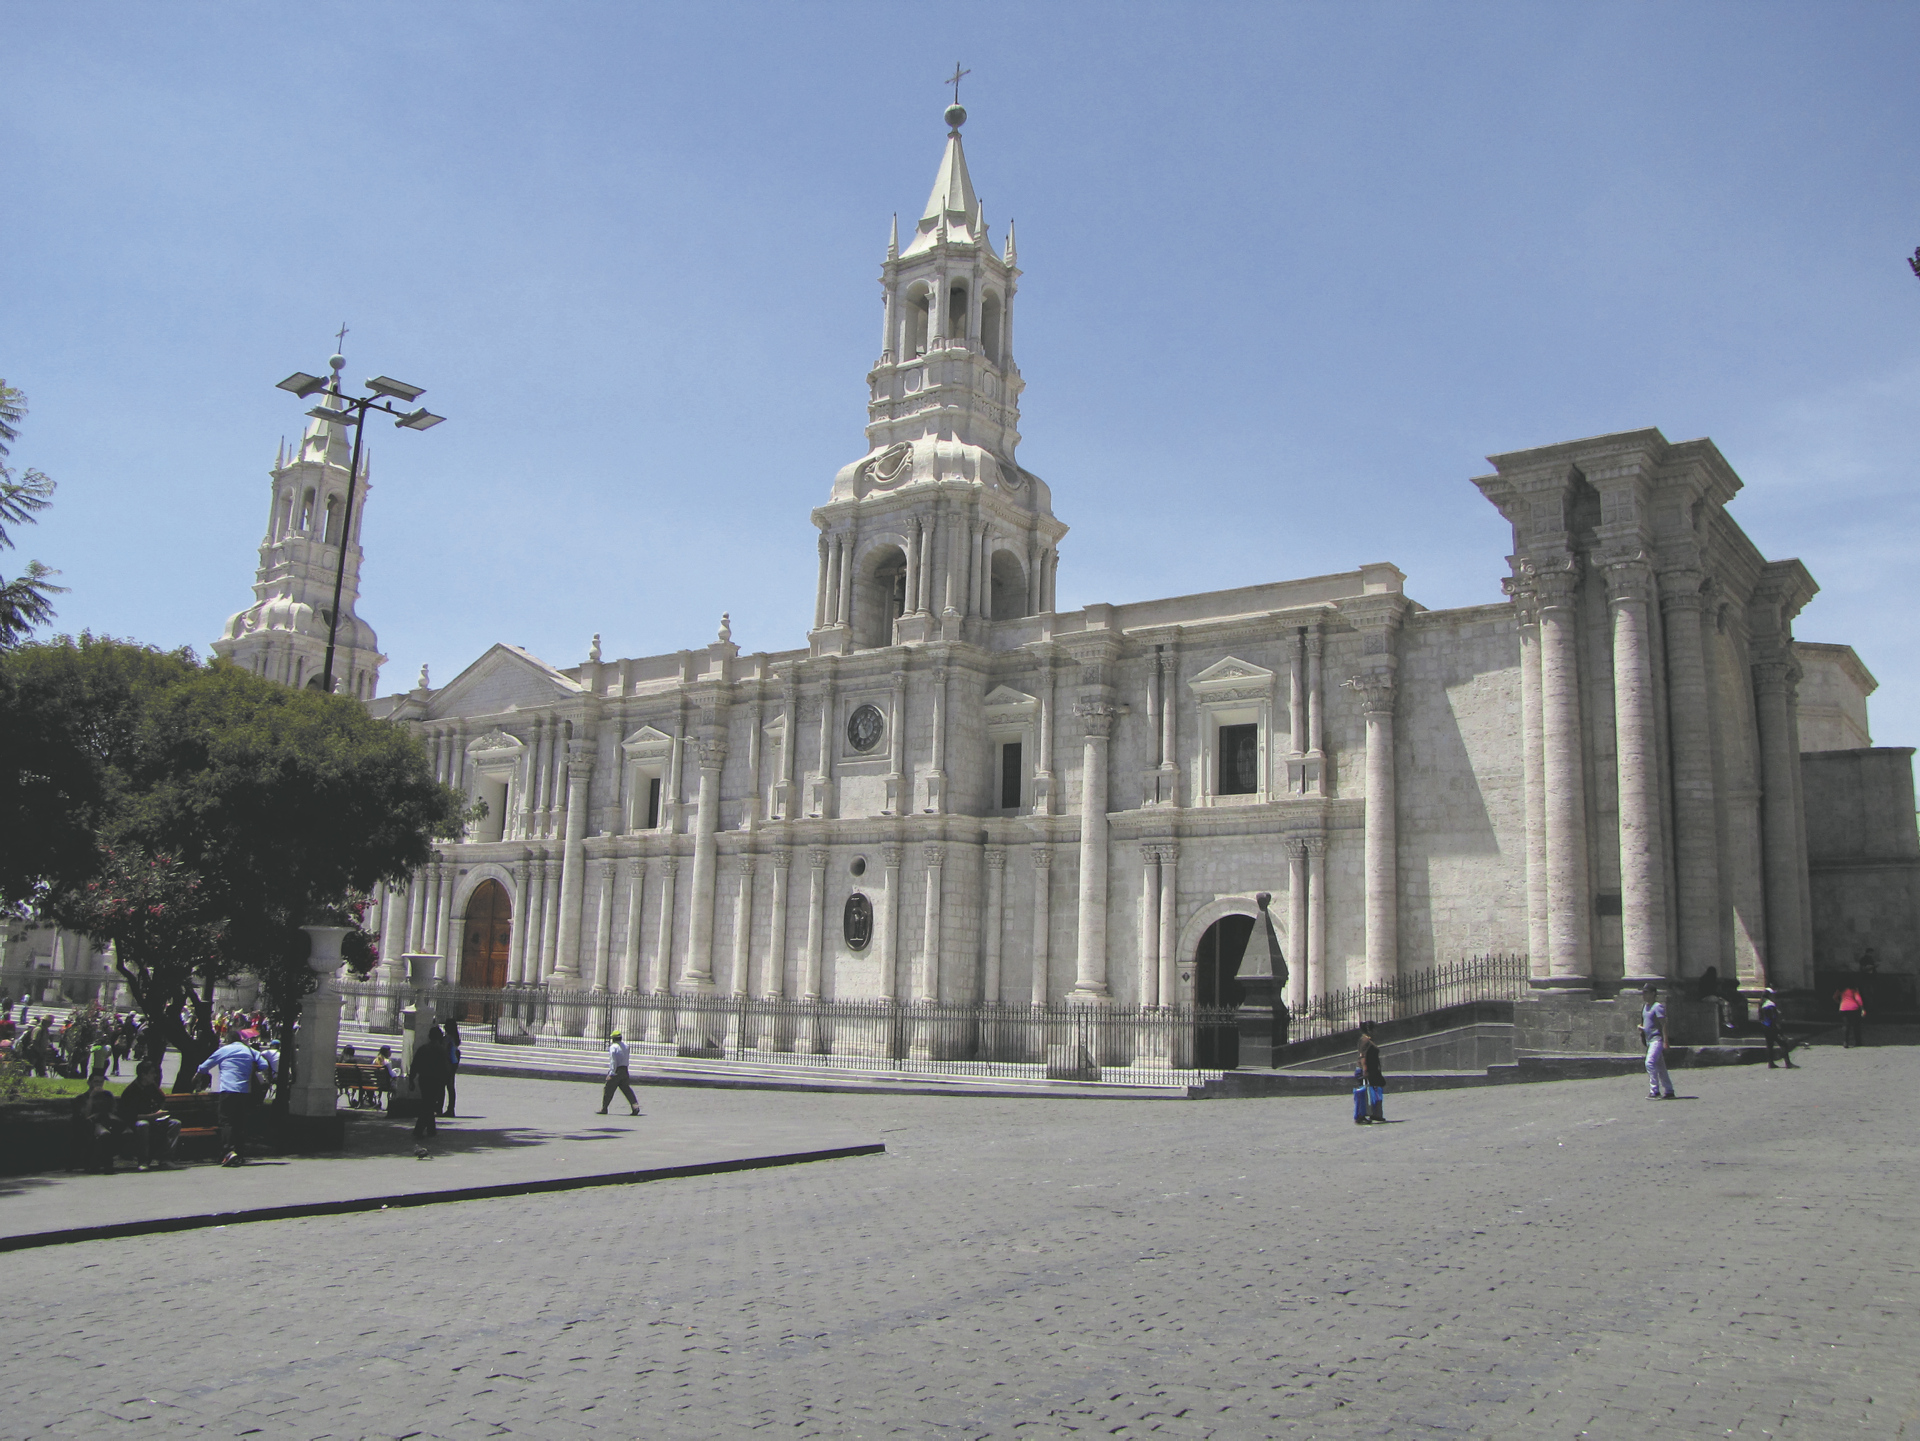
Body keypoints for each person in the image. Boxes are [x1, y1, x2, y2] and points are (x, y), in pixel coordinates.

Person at [197, 1032, 268, 1166]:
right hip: (245, 1091)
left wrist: (197, 1076)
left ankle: (228, 1151)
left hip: (228, 1090)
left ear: (228, 1040)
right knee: (239, 1122)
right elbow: (264, 1065)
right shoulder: (250, 1051)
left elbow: (205, 1066)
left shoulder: (224, 1050)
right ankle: (239, 1153)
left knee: (226, 1121)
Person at [118, 1062, 181, 1171]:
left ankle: (166, 1159)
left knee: (175, 1123)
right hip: (135, 1122)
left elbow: (161, 1098)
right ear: (143, 1075)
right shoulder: (131, 1091)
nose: (155, 1076)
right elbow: (130, 1116)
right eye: (152, 1073)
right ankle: (143, 1161)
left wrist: (160, 1111)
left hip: (153, 1119)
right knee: (143, 1125)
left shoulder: (151, 1087)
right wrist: (152, 1116)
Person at [409, 1025, 453, 1159]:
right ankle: (419, 1129)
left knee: (428, 1103)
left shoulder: (423, 1049)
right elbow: (446, 1067)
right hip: (436, 1080)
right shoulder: (441, 1050)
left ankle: (431, 1129)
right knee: (429, 1104)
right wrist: (446, 1080)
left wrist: (411, 1080)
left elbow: (414, 1065)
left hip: (424, 1080)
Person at [70, 1074, 124, 1173]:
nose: (98, 1084)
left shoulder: (107, 1095)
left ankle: (98, 1164)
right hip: (88, 1127)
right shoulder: (82, 1098)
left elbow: (113, 1111)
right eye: (96, 1082)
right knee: (103, 1133)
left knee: (108, 1132)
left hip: (106, 1123)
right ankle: (106, 1165)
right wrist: (91, 1097)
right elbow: (85, 1116)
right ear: (89, 1083)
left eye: (100, 1082)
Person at [1640, 984, 1676, 1099]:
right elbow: (1647, 1023)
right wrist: (1641, 1028)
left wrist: (1666, 1041)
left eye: (1646, 993)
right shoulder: (1645, 1007)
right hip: (1649, 1040)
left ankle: (1654, 1090)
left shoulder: (1657, 1007)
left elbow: (1663, 1024)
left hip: (1657, 1040)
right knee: (1661, 1067)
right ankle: (1669, 1090)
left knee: (1649, 1063)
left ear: (1653, 994)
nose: (1644, 995)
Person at [600, 1030, 640, 1116]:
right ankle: (635, 1106)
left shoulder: (613, 1047)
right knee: (627, 1090)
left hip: (616, 1071)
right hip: (625, 1070)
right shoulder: (626, 1046)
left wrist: (611, 1073)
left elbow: (613, 1061)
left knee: (608, 1089)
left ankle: (604, 1108)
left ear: (613, 1039)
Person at [1758, 989, 1796, 1070]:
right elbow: (1774, 1018)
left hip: (1765, 1027)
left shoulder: (1762, 1004)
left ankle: (1771, 1063)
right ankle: (1788, 1063)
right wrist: (1779, 1030)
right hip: (1772, 1027)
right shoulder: (1770, 1004)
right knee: (1783, 1044)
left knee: (1770, 1045)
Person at [1358, 1025, 1385, 1123]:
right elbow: (1363, 1056)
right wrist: (1365, 1070)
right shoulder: (1365, 1041)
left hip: (1372, 1070)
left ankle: (1376, 1113)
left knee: (1375, 1091)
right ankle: (1361, 1115)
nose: (1376, 1031)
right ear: (1370, 1030)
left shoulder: (1368, 1040)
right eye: (1375, 1029)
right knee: (1364, 1093)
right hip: (1367, 1070)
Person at [441, 1019, 462, 1118]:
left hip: (447, 1063)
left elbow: (445, 1050)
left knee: (442, 1087)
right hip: (453, 1063)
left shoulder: (448, 1038)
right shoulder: (455, 1038)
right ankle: (451, 1108)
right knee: (450, 1087)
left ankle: (441, 1108)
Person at [1836, 984, 1866, 1048]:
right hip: (1853, 1008)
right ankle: (1858, 1042)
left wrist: (1840, 1002)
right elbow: (1858, 999)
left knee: (1846, 1025)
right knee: (1856, 1025)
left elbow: (1834, 997)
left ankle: (1845, 1042)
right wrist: (1862, 1009)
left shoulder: (1841, 989)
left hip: (1843, 1008)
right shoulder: (1854, 990)